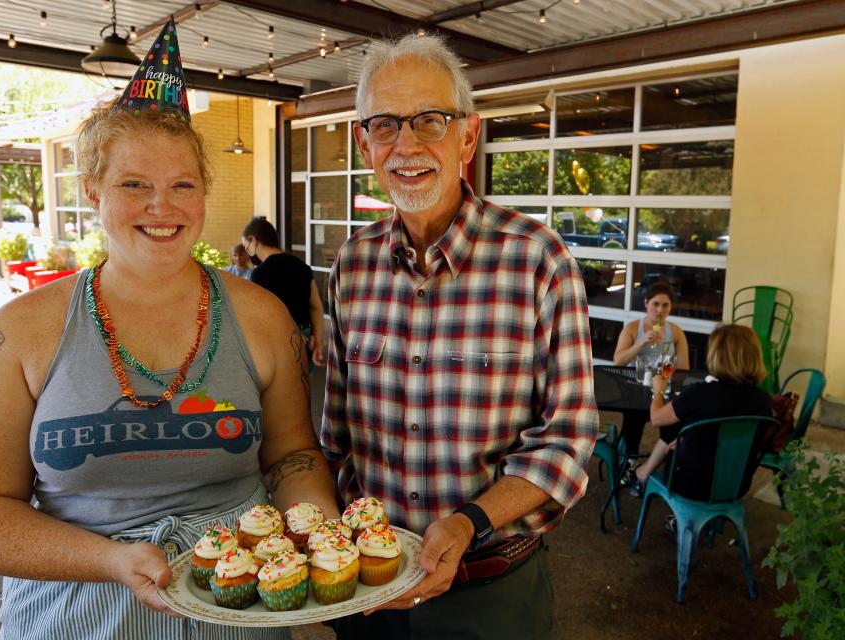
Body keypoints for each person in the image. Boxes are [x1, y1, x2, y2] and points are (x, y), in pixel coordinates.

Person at [0, 19, 338, 640]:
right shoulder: (21, 331)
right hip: (77, 612)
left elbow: (292, 453)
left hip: (240, 613)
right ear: (93, 190)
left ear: (204, 192)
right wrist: (110, 560)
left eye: (183, 185)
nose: (162, 207)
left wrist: (320, 555)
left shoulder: (259, 316)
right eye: (133, 185)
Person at [321, 33, 598, 640]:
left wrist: (470, 521)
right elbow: (335, 438)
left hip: (491, 599)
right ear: (364, 143)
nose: (408, 145)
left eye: (430, 121)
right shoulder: (352, 266)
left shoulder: (538, 260)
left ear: (468, 137)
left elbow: (569, 440)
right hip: (369, 595)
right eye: (386, 125)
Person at [624, 324, 771, 507]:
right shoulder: (764, 401)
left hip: (691, 485)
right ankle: (664, 501)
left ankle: (643, 475)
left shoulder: (700, 394)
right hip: (735, 486)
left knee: (673, 423)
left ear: (717, 355)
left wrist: (658, 391)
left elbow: (656, 419)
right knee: (680, 424)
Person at [611, 281, 691, 456]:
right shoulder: (632, 329)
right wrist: (641, 342)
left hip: (663, 386)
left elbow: (684, 370)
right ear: (646, 303)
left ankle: (667, 457)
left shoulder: (676, 332)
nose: (660, 310)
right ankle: (630, 460)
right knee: (635, 417)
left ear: (671, 307)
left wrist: (669, 364)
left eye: (665, 305)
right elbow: (618, 362)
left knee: (675, 417)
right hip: (635, 386)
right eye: (655, 304)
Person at [242, 218, 326, 369]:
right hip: (303, 339)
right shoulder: (302, 267)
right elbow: (316, 306)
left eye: (246, 246)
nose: (247, 251)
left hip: (276, 342)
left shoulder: (259, 274)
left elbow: (256, 317)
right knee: (301, 388)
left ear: (254, 240)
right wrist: (318, 341)